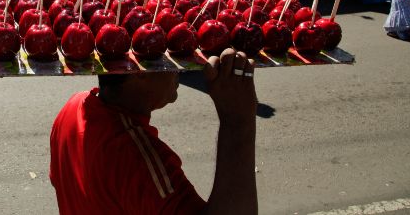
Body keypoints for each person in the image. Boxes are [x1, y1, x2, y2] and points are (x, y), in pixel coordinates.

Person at [50, 48, 258, 214]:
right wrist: (238, 120)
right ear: (137, 71)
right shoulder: (133, 157)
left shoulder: (73, 107)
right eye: (168, 58)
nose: (180, 69)